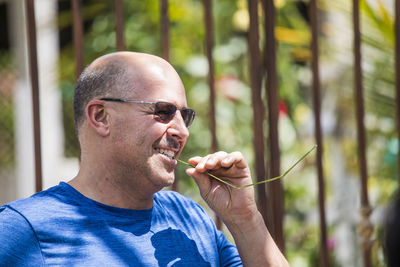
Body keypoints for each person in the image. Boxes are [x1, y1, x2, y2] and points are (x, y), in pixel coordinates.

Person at [0, 52, 289, 266]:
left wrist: (245, 218)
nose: (181, 131)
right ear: (101, 117)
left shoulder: (189, 218)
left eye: (184, 116)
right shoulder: (23, 230)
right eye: (163, 111)